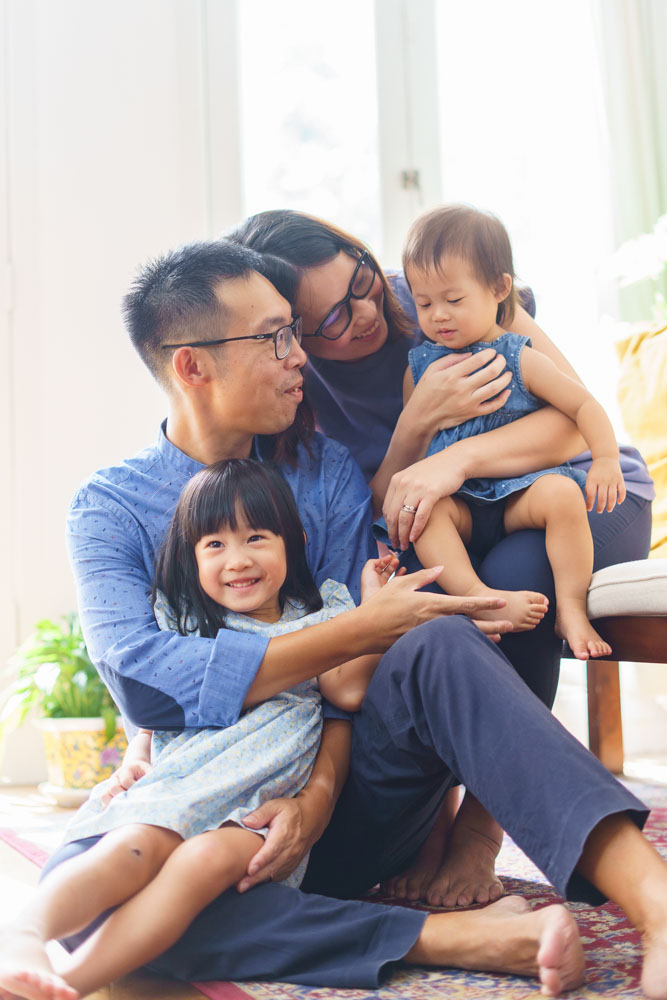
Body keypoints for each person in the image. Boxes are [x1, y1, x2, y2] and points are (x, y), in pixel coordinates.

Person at [33, 239, 667, 1000]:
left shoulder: (324, 472)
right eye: (273, 338)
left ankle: (657, 908)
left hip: (343, 810)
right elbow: (145, 683)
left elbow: (346, 683)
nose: (298, 355)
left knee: (436, 641)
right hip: (197, 817)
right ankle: (446, 936)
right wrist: (353, 631)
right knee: (85, 907)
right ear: (191, 366)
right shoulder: (110, 508)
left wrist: (316, 798)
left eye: (293, 332)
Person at [229, 208, 654, 906]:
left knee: (512, 577)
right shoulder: (298, 384)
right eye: (329, 319)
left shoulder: (434, 288)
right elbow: (368, 515)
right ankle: (435, 829)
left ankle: (477, 837)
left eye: (360, 280)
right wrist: (417, 426)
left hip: (578, 496)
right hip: (452, 521)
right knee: (447, 602)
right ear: (290, 330)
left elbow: (567, 423)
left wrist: (452, 458)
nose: (365, 313)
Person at [0, 458, 401, 1000]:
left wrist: (371, 610)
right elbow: (153, 702)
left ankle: (67, 984)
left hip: (261, 804)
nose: (237, 560)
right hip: (188, 782)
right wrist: (137, 751)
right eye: (214, 544)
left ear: (296, 541)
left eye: (256, 537)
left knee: (203, 862)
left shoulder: (325, 612)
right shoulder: (186, 618)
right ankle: (23, 936)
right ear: (191, 556)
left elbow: (347, 691)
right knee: (133, 845)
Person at [383, 204, 625, 659]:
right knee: (427, 515)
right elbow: (418, 460)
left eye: (453, 300)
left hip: (520, 495)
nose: (437, 316)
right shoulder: (417, 369)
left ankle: (572, 609)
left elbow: (583, 404)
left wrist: (607, 458)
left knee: (562, 495)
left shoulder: (520, 356)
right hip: (461, 506)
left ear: (499, 288)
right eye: (424, 303)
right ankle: (477, 600)